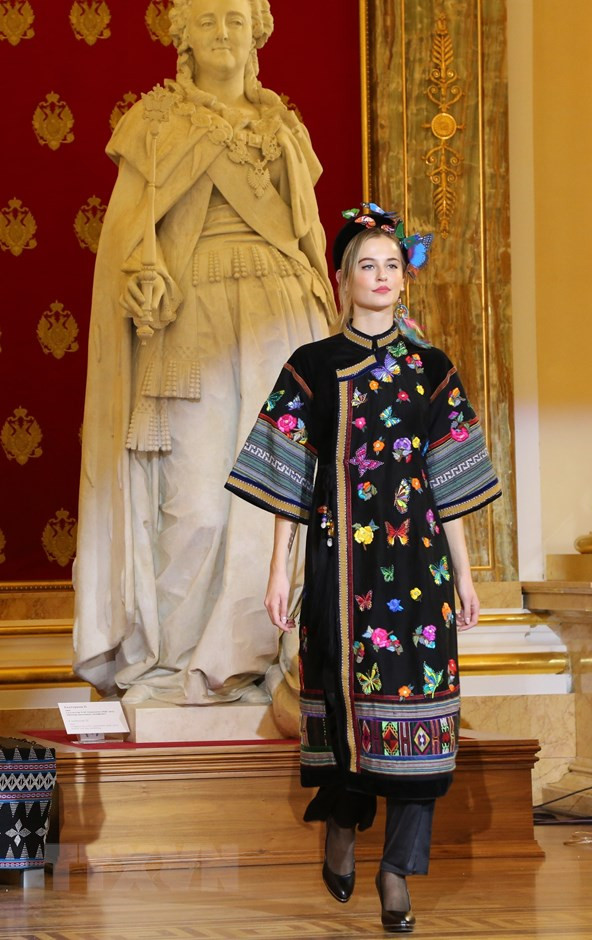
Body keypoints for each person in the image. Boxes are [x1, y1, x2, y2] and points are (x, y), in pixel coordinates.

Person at [226, 203, 501, 932]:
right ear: (341, 279)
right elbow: (287, 477)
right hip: (337, 564)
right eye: (364, 266)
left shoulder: (433, 371)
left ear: (402, 280)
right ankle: (342, 823)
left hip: (420, 569)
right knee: (345, 706)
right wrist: (279, 570)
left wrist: (466, 576)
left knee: (424, 714)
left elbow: (451, 483)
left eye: (390, 265)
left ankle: (398, 872)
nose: (379, 278)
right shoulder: (311, 366)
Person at [73, 0, 335, 704]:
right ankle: (174, 666)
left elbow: (306, 236)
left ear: (257, 35)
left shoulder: (283, 125)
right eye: (209, 20)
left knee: (285, 498)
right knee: (196, 506)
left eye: (236, 20)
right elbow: (128, 238)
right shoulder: (154, 127)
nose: (224, 33)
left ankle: (272, 664)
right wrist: (140, 278)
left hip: (284, 315)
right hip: (194, 319)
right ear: (182, 37)